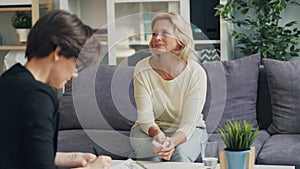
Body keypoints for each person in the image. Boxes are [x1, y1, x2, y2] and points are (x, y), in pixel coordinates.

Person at [0, 10, 111, 169]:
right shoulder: (39, 96)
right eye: (76, 64)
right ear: (58, 53)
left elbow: (17, 151)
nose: (74, 74)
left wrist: (72, 158)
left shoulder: (9, 79)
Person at [130, 12, 208, 162]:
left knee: (180, 155)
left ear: (180, 38)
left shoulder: (196, 73)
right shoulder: (142, 68)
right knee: (151, 155)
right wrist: (158, 135)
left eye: (164, 33)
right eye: (154, 33)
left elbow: (189, 124)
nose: (157, 38)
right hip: (149, 129)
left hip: (189, 130)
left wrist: (172, 142)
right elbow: (145, 119)